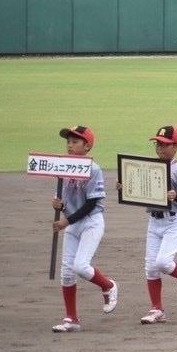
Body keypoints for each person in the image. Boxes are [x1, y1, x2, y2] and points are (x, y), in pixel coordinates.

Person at [50, 125, 118, 333]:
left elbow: (91, 203)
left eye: (75, 142)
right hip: (73, 222)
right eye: (68, 142)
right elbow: (63, 198)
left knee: (80, 266)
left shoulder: (93, 169)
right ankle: (71, 319)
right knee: (67, 273)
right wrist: (59, 205)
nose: (70, 145)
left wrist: (66, 221)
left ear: (87, 146)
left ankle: (108, 286)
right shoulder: (63, 167)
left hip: (91, 222)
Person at [136, 125, 177, 324]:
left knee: (162, 262)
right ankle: (157, 309)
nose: (160, 148)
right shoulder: (150, 167)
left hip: (174, 221)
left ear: (176, 146)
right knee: (151, 267)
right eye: (158, 144)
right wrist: (125, 187)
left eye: (165, 145)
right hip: (154, 221)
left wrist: (176, 195)